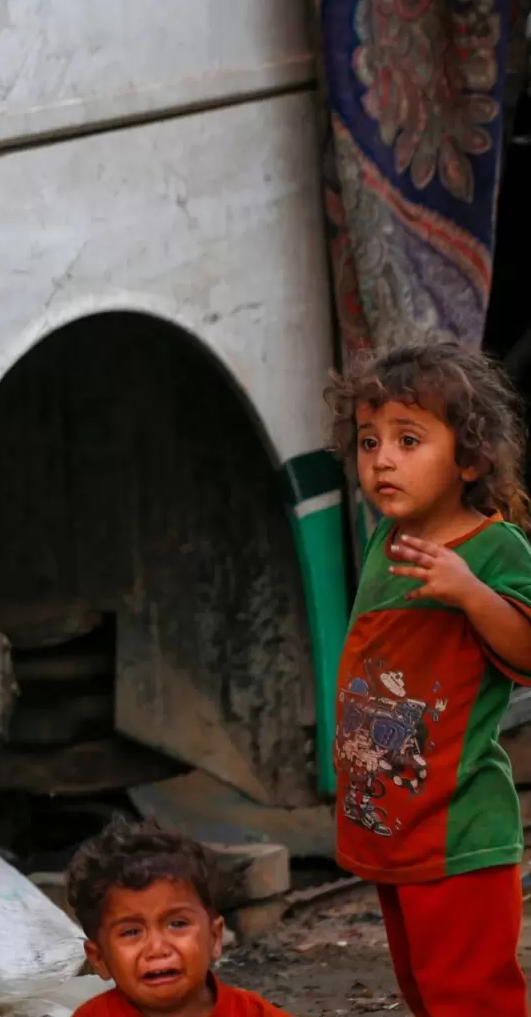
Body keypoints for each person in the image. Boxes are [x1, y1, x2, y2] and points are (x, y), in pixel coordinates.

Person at [325, 341, 531, 1017]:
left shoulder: (493, 548)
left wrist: (470, 592)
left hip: (459, 831)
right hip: (397, 823)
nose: (381, 458)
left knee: (470, 998)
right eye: (368, 440)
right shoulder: (391, 538)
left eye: (408, 439)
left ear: (469, 458)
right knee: (424, 990)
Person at [64, 821, 291, 1016]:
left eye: (177, 924)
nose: (157, 949)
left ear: (214, 937)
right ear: (100, 959)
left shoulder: (253, 1014)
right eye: (131, 932)